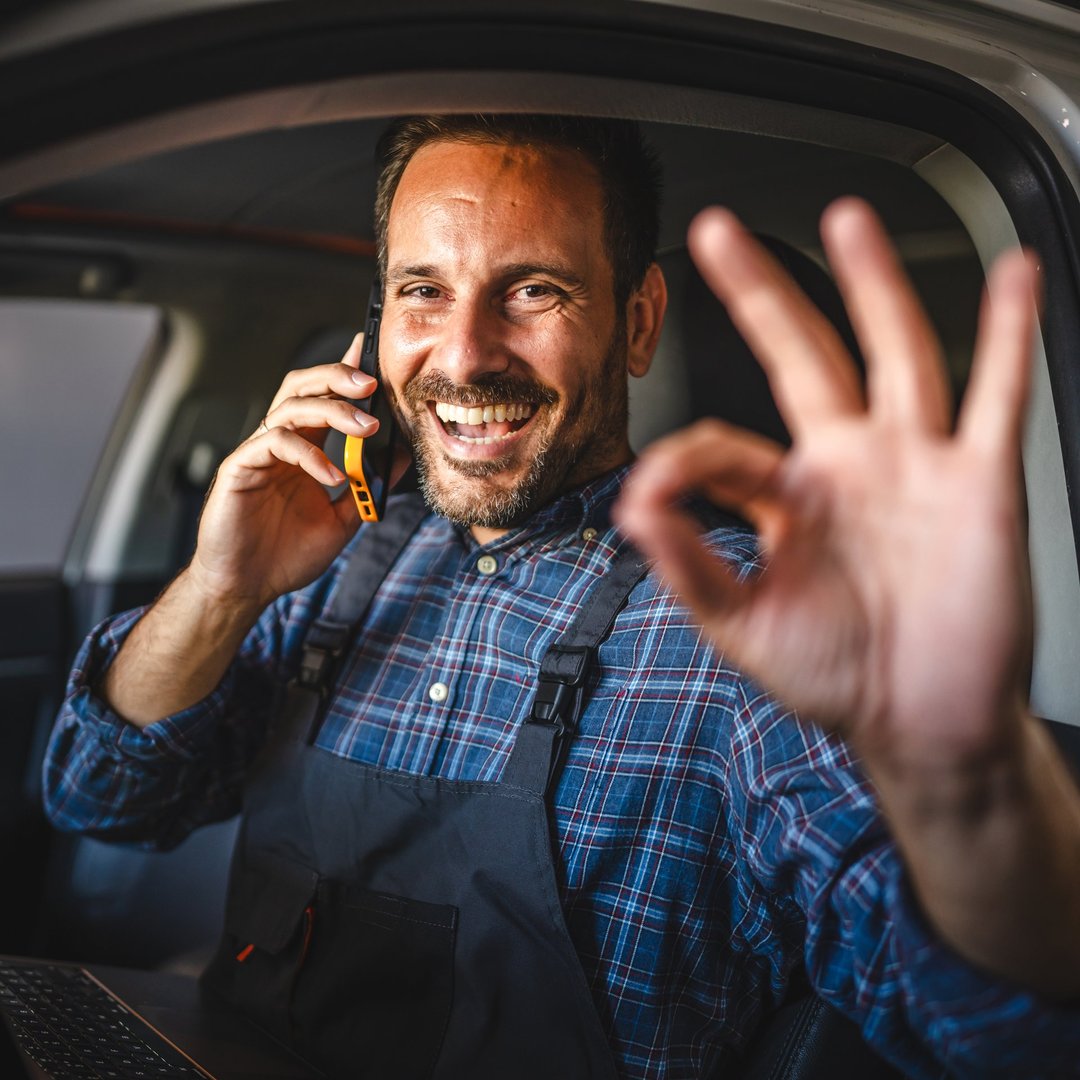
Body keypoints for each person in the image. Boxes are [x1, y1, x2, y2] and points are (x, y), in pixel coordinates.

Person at [44, 115, 1080, 1079]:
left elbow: (1001, 1030)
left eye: (534, 289)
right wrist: (221, 588)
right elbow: (102, 799)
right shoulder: (331, 556)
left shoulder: (752, 625)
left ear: (636, 325)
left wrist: (968, 778)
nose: (462, 355)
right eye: (423, 291)